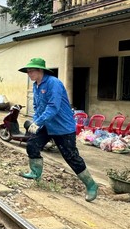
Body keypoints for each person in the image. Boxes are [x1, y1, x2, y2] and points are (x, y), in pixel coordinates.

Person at [18, 58, 98, 202]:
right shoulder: (36, 86)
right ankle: (35, 173)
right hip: (46, 125)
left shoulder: (54, 83)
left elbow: (53, 107)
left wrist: (39, 121)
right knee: (32, 145)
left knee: (71, 157)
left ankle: (91, 185)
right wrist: (36, 122)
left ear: (40, 70)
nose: (29, 74)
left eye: (31, 71)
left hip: (62, 127)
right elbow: (37, 107)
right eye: (28, 71)